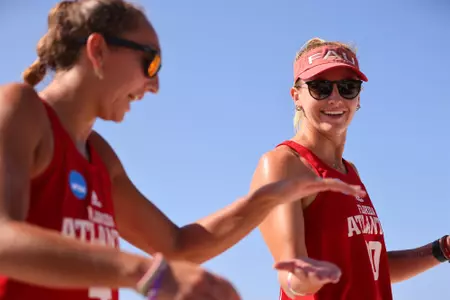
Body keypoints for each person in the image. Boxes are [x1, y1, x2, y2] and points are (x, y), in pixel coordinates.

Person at [0, 2, 367, 300]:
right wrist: (146, 273)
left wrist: (265, 200)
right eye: (151, 62)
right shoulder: (19, 108)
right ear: (98, 50)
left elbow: (178, 246)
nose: (155, 84)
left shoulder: (99, 154)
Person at [250, 37, 450, 300]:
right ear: (296, 96)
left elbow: (370, 270)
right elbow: (292, 274)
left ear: (358, 98)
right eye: (320, 88)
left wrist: (444, 248)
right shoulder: (284, 164)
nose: (335, 98)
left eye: (347, 87)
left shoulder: (349, 172)